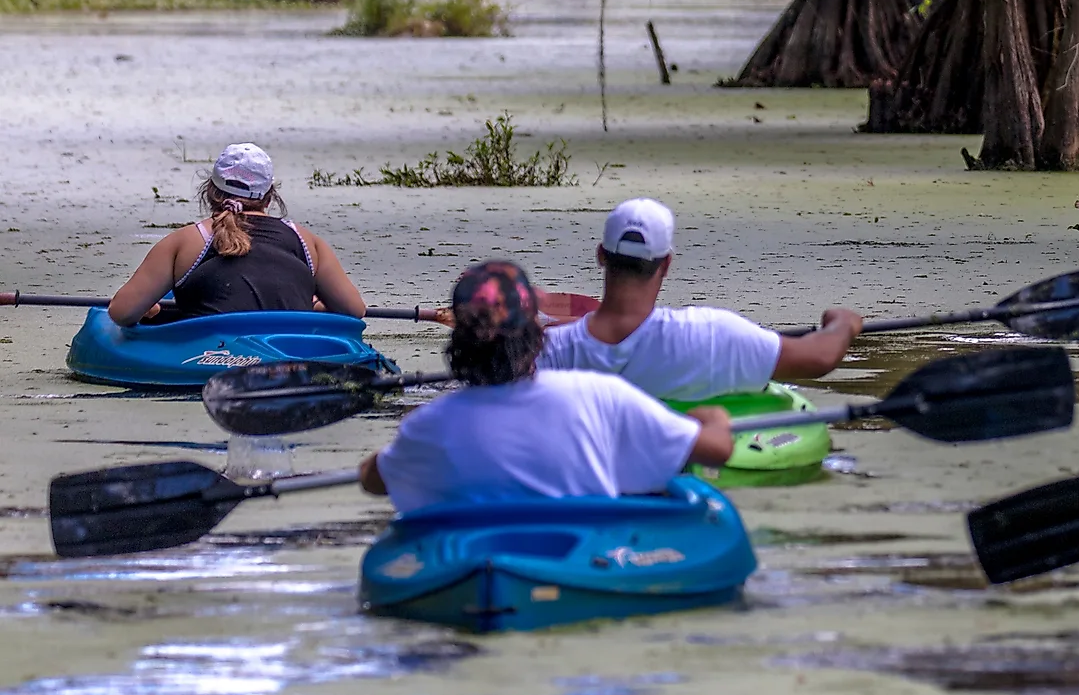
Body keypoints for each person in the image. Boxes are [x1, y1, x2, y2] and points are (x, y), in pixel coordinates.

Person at [361, 261, 736, 514]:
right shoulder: (599, 394)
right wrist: (713, 419)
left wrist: (392, 453)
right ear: (537, 336)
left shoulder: (426, 424)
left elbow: (372, 480)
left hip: (476, 560)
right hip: (578, 557)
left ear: (458, 344)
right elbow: (716, 450)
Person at [537, 198, 863, 401]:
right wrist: (843, 323)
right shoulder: (710, 334)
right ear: (666, 264)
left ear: (600, 255)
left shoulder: (545, 349)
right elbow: (820, 357)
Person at [108, 144, 366, 325]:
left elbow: (121, 313)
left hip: (208, 356)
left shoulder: (184, 242)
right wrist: (316, 305)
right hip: (289, 354)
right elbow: (354, 309)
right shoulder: (308, 242)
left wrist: (149, 308)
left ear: (210, 191)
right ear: (270, 196)